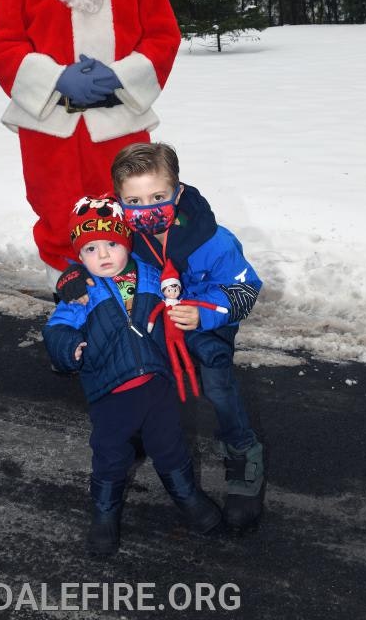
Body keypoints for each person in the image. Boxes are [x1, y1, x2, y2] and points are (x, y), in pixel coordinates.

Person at [0, 0, 182, 291]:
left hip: (119, 120)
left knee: (129, 205)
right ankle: (70, 294)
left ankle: (131, 298)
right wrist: (55, 78)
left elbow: (163, 36)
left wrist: (120, 77)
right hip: (50, 120)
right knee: (56, 208)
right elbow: (2, 41)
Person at [56, 143, 265, 531]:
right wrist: (71, 278)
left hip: (204, 324)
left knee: (218, 386)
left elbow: (245, 289)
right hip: (150, 324)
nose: (145, 208)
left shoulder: (213, 238)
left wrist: (204, 312)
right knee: (150, 379)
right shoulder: (124, 231)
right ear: (119, 200)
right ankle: (142, 430)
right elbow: (90, 248)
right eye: (133, 200)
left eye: (157, 197)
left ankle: (242, 453)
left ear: (178, 191)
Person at [43, 195, 222, 555]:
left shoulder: (152, 277)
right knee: (110, 454)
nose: (104, 254)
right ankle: (105, 513)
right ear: (81, 257)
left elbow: (177, 303)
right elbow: (57, 327)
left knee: (170, 445)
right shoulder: (83, 292)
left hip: (157, 384)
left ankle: (187, 496)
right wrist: (69, 348)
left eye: (112, 244)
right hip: (111, 391)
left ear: (127, 243)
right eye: (92, 248)